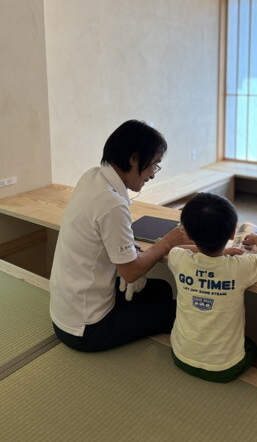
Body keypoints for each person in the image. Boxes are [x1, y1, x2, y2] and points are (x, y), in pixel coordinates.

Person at [49, 119, 188, 352]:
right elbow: (130, 272)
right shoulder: (111, 203)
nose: (153, 175)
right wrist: (167, 242)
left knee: (161, 290)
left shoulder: (92, 177)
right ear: (134, 158)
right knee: (173, 311)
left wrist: (131, 247)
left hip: (65, 311)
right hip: (88, 329)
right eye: (154, 164)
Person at [167, 192, 257, 382]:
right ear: (233, 233)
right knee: (252, 347)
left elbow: (178, 249)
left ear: (188, 234)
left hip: (180, 356)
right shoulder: (239, 267)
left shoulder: (178, 258)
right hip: (224, 370)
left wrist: (219, 251)